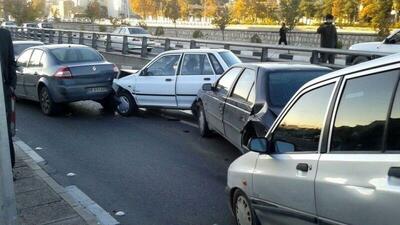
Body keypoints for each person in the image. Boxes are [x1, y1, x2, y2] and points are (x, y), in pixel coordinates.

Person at [0, 28, 16, 168]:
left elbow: (11, 61)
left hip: (3, 91)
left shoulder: (4, 34)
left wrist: (11, 86)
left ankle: (9, 168)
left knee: (4, 132)